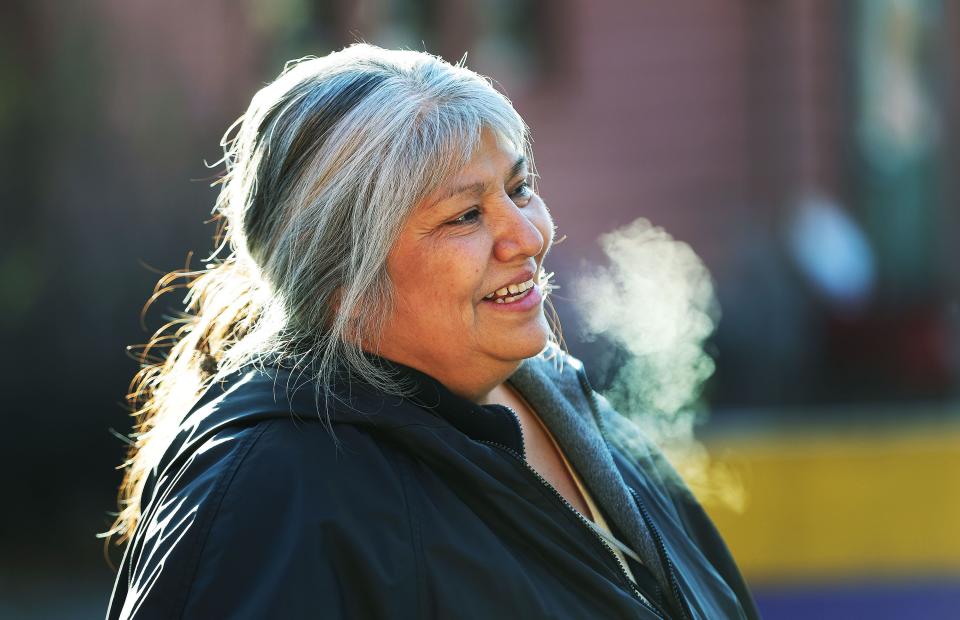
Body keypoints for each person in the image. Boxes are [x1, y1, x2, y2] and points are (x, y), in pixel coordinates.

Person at [105, 44, 759, 619]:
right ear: (344, 284)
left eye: (520, 187)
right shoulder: (268, 492)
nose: (530, 237)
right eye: (466, 215)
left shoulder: (565, 402)